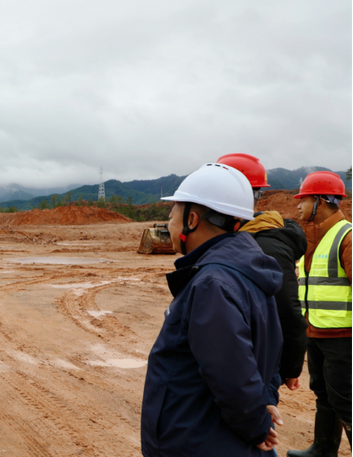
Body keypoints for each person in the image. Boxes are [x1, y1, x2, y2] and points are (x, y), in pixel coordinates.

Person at [141, 163, 284, 456]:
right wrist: (266, 397)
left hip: (199, 441)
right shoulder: (247, 267)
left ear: (192, 219)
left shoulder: (212, 283)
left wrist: (255, 424)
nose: (169, 224)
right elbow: (270, 345)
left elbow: (230, 372)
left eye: (172, 216)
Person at [217, 153, 308, 392]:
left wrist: (290, 367)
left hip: (255, 361)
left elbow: (288, 311)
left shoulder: (265, 245)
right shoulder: (236, 237)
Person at [287, 171, 351, 456]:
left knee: (346, 400)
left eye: (304, 200)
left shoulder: (347, 236)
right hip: (315, 331)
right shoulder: (310, 238)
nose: (298, 205)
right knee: (323, 393)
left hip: (343, 337)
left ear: (321, 202)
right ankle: (323, 450)